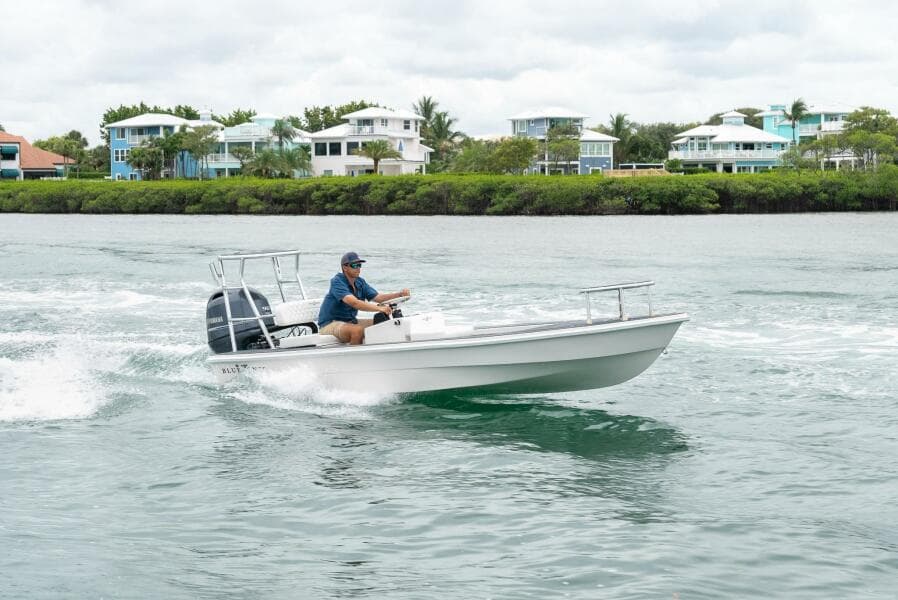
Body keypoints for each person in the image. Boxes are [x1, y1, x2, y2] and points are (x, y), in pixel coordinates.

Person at [317, 251, 411, 345]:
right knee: (357, 331)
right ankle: (353, 358)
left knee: (384, 324)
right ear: (345, 267)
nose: (358, 268)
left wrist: (399, 294)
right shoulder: (337, 281)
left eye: (359, 265)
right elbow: (354, 303)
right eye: (354, 265)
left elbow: (379, 297)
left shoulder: (360, 282)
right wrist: (379, 308)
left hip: (350, 322)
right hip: (329, 324)